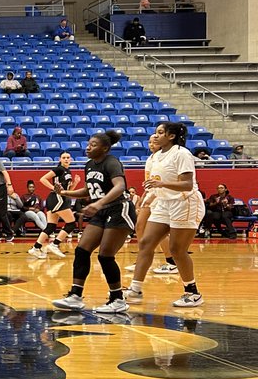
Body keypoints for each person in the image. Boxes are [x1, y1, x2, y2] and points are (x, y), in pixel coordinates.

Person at [125, 122, 207, 308]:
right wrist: (150, 196)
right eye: (156, 132)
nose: (156, 136)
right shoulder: (155, 157)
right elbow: (156, 183)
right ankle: (135, 290)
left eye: (160, 133)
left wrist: (160, 186)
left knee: (177, 250)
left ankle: (192, 293)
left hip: (185, 202)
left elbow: (186, 184)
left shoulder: (181, 153)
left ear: (171, 136)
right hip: (164, 202)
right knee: (146, 243)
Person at [52, 130, 132, 313]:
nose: (88, 147)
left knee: (105, 255)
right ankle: (75, 296)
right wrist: (64, 193)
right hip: (102, 211)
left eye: (93, 145)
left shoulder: (111, 162)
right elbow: (89, 190)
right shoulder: (89, 165)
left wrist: (100, 203)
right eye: (88, 144)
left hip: (119, 209)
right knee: (82, 250)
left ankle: (118, 299)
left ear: (105, 148)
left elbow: (120, 186)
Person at [125, 134, 178, 272]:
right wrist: (144, 196)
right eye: (149, 142)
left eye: (154, 141)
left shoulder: (164, 157)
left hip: (160, 196)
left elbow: (161, 181)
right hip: (151, 194)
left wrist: (151, 196)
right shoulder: (151, 158)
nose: (151, 144)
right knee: (140, 227)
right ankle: (144, 259)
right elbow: (150, 182)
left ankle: (171, 261)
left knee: (157, 231)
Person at [32, 151, 79, 256]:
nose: (66, 159)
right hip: (57, 198)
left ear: (70, 159)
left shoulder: (68, 171)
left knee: (51, 227)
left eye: (68, 157)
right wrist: (54, 188)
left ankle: (36, 248)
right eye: (64, 157)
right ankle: (55, 244)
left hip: (59, 198)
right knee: (71, 224)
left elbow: (68, 191)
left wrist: (75, 183)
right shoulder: (59, 169)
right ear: (60, 159)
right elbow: (43, 179)